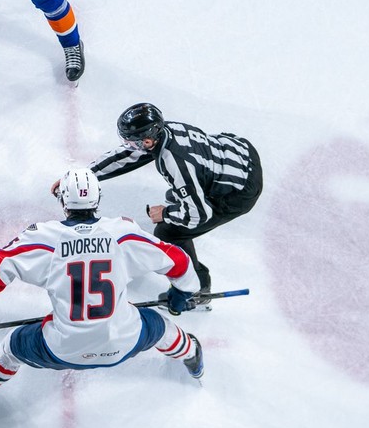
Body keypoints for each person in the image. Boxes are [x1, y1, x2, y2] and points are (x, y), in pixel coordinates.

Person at [0, 168, 204, 421]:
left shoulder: (43, 238)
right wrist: (183, 293)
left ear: (63, 200)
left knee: (11, 346)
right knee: (160, 326)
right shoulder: (123, 232)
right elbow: (178, 260)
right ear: (97, 198)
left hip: (61, 349)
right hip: (125, 342)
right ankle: (192, 356)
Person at [57, 103, 263, 300]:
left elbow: (199, 216)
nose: (129, 146)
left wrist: (165, 213)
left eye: (132, 142)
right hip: (238, 150)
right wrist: (84, 175)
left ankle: (197, 289)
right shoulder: (165, 130)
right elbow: (126, 155)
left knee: (168, 231)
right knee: (178, 197)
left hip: (241, 191)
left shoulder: (175, 163)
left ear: (147, 141)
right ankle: (187, 200)